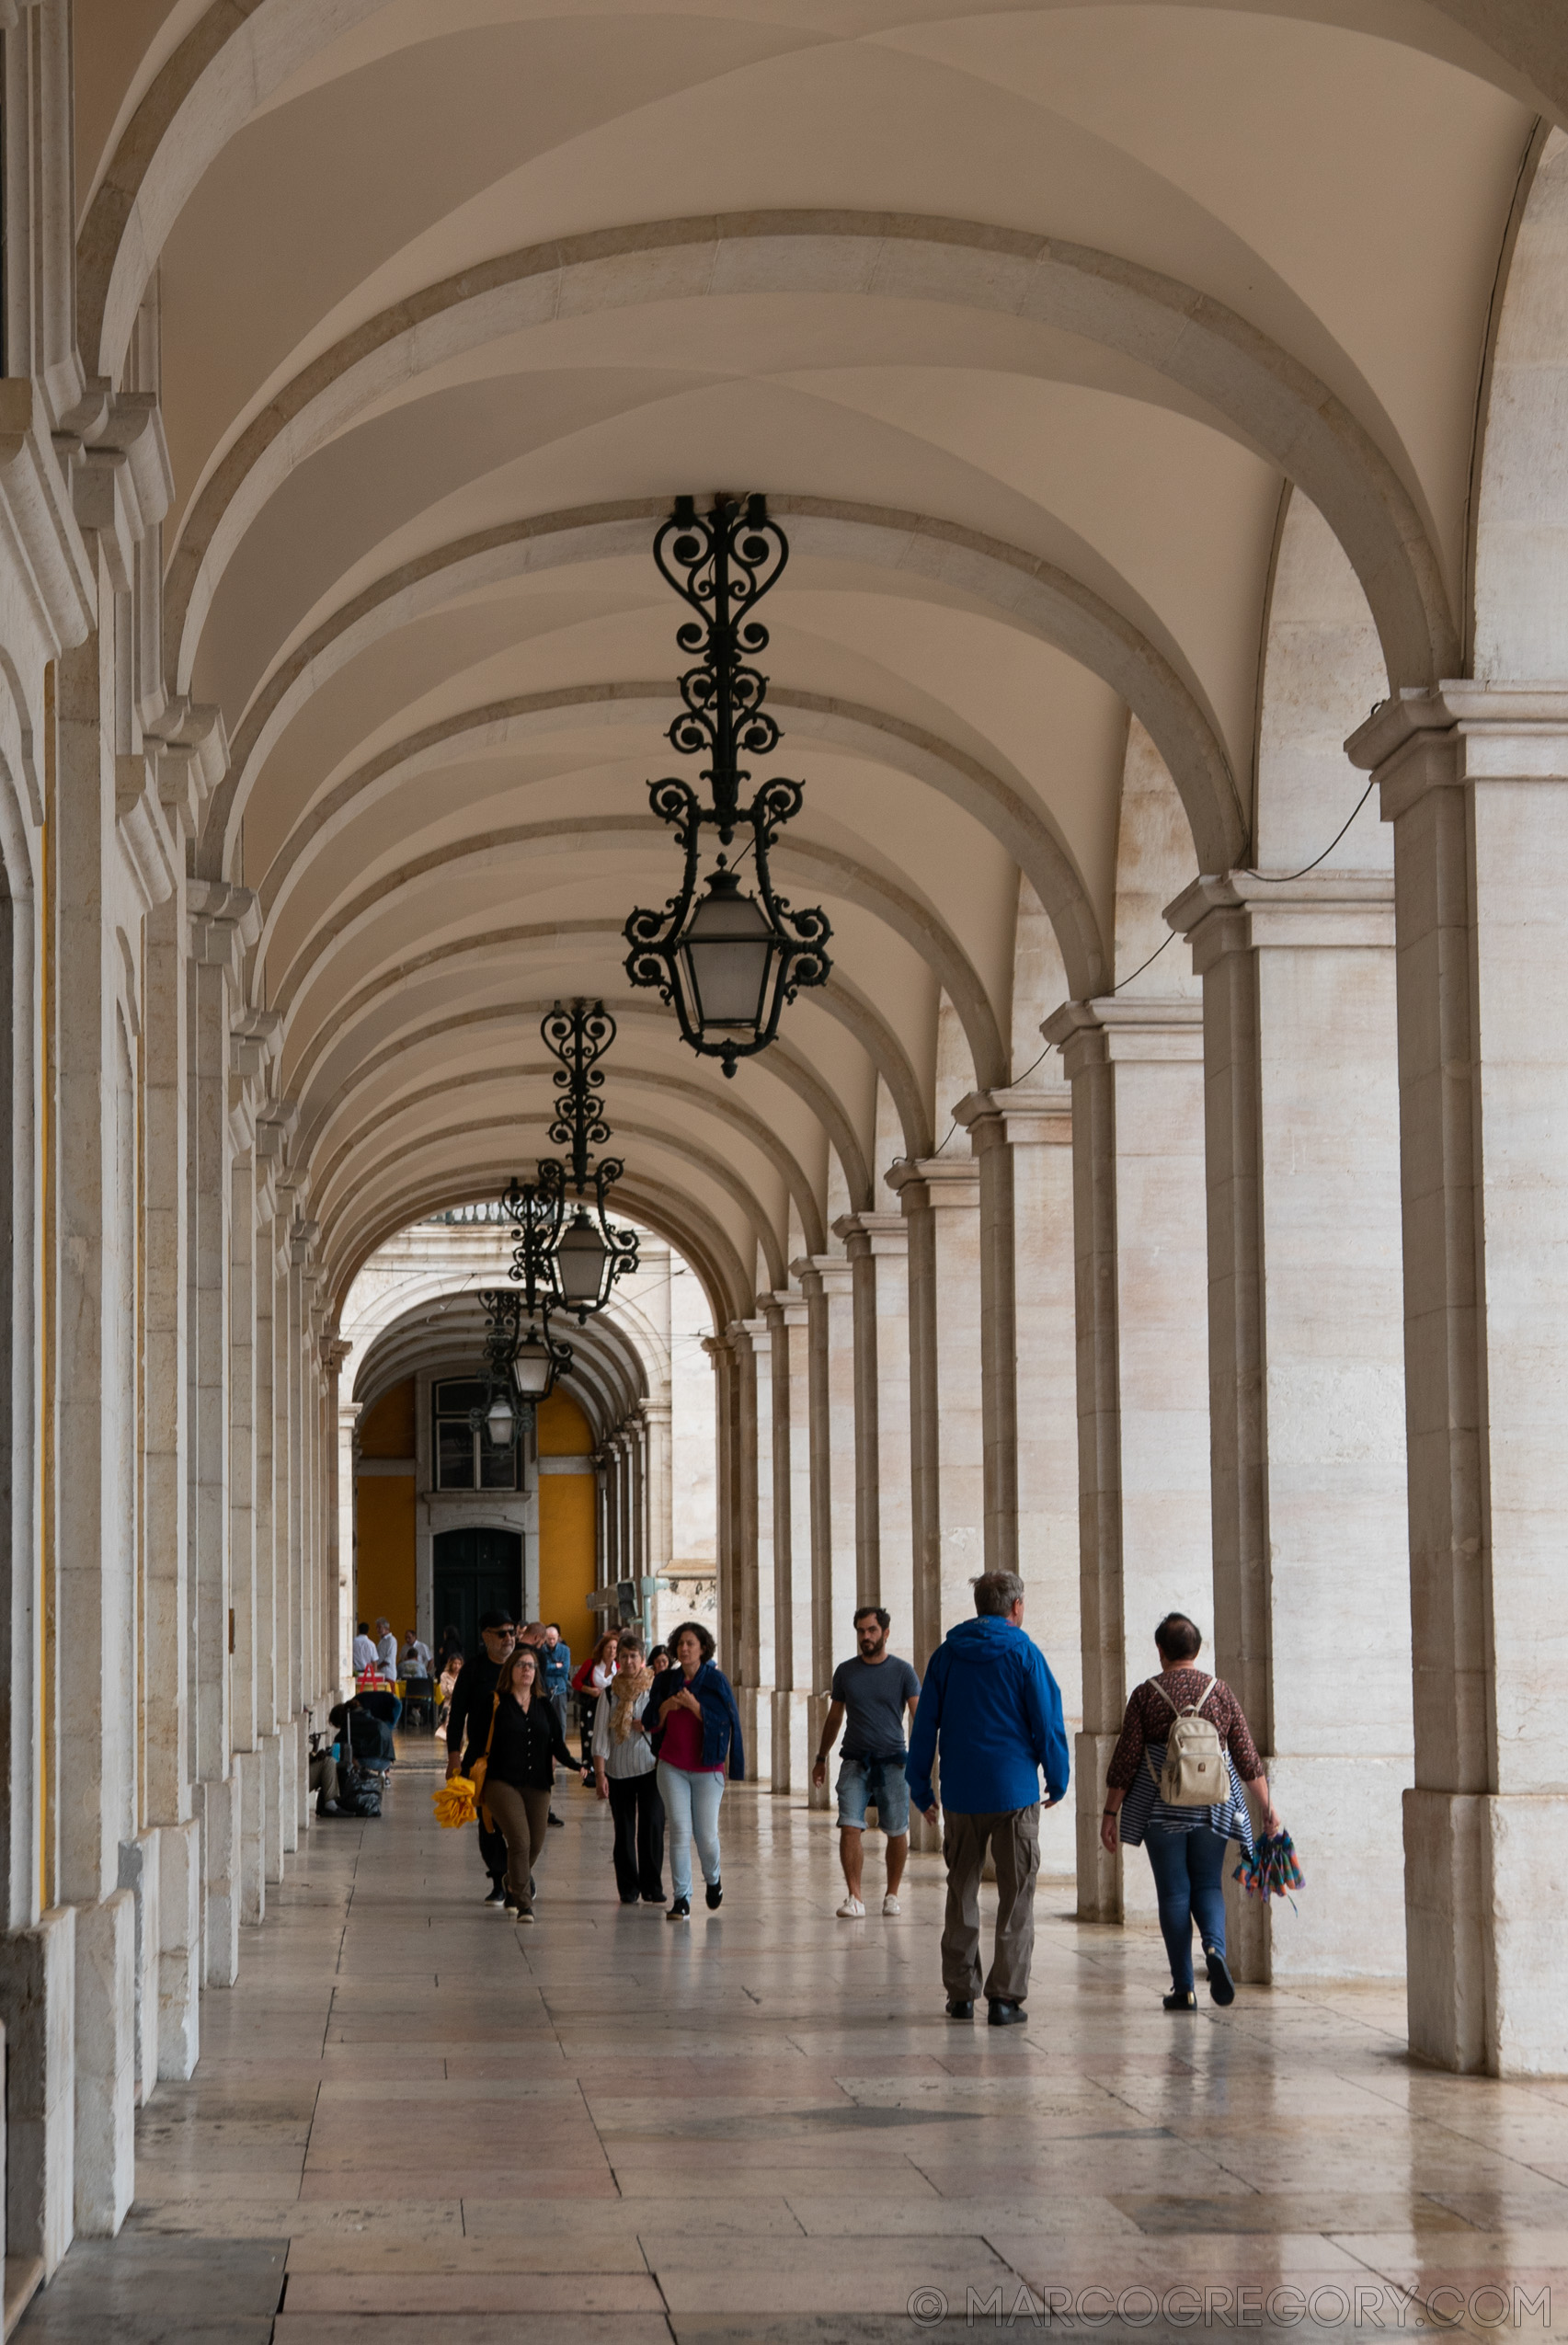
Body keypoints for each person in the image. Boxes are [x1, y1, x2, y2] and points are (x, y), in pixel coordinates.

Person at [906, 1570, 1070, 2029]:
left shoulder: (946, 1656)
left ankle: (961, 1994)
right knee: (1017, 1895)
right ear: (1015, 1607)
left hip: (960, 1792)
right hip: (1015, 1791)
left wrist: (921, 1786)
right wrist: (1057, 1779)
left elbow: (924, 1728)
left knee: (962, 1889)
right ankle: (1005, 1998)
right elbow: (1047, 1720)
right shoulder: (1025, 1654)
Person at [1101, 1613, 1279, 2012]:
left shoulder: (1146, 1695)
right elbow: (1247, 1758)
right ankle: (1215, 1948)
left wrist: (1110, 1814)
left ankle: (1184, 1987)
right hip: (1214, 1806)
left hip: (1161, 1808)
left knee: (1174, 1892)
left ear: (1160, 1651)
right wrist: (1267, 1807)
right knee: (1209, 1885)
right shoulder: (1220, 1692)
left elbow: (1126, 1761)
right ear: (1198, 1650)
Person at [813, 1606, 921, 1919]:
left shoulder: (903, 1672)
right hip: (854, 1760)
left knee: (897, 1829)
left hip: (893, 1762)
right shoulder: (846, 1672)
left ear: (885, 1633)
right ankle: (854, 1897)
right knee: (849, 1825)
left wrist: (926, 1760)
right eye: (861, 1631)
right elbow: (835, 1718)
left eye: (872, 1630)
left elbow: (920, 1716)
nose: (866, 1636)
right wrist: (821, 1758)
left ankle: (892, 1894)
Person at [649, 1621, 743, 1919]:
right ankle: (682, 1899)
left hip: (707, 1768)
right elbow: (651, 1720)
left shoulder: (716, 1681)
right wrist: (666, 1708)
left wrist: (696, 1708)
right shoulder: (665, 1681)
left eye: (690, 1643)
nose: (684, 1649)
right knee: (679, 1830)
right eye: (680, 1644)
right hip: (671, 1765)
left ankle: (713, 1880)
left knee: (706, 1835)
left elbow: (727, 1724)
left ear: (703, 1648)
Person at [482, 1642, 576, 1924]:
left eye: (531, 1666)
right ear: (510, 1670)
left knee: (534, 1844)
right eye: (521, 1665)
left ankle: (513, 1879)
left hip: (538, 1782)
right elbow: (477, 1743)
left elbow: (557, 1744)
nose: (527, 1670)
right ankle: (523, 1903)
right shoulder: (495, 1702)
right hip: (501, 1781)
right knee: (520, 1841)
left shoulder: (544, 1705)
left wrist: (578, 1767)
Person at [444, 1609, 518, 1905]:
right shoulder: (473, 1670)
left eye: (512, 1632)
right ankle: (500, 1877)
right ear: (486, 1636)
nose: (508, 1638)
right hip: (480, 1759)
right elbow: (457, 1715)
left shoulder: (523, 1666)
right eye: (501, 1633)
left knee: (513, 1823)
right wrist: (453, 1756)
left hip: (516, 1756)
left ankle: (518, 1876)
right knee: (488, 1823)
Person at [592, 1632, 665, 1905]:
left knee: (652, 1826)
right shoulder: (610, 1694)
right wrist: (600, 1774)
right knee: (623, 1830)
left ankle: (652, 1886)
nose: (629, 1661)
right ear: (617, 1660)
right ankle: (628, 1887)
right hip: (618, 1770)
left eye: (634, 1656)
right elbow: (601, 1736)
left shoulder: (655, 1689)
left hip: (651, 1768)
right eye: (624, 1656)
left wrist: (649, 1724)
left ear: (643, 1659)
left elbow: (666, 1722)